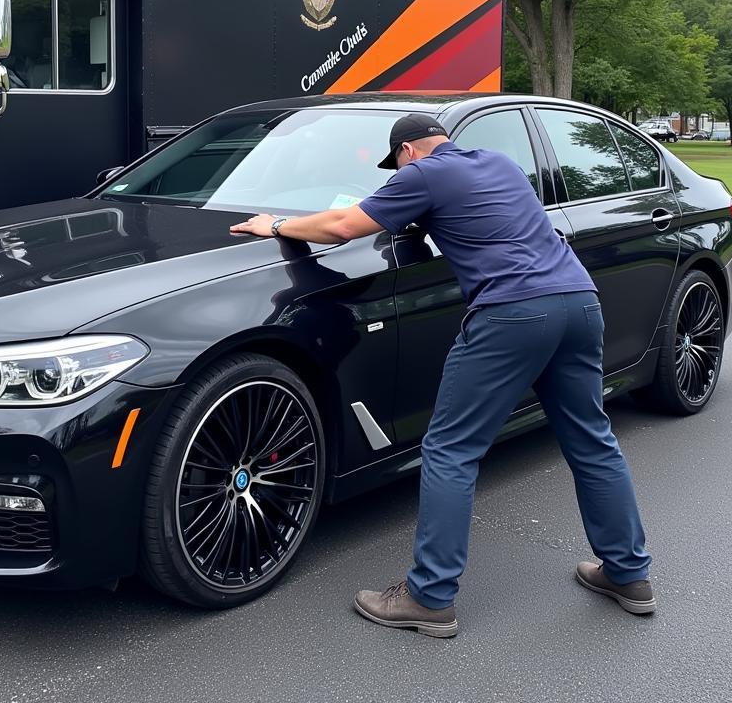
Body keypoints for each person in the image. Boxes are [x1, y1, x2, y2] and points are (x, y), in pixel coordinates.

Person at [230, 113, 653, 638]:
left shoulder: (423, 174)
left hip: (512, 313)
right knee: (593, 441)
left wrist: (273, 225)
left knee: (451, 450)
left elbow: (343, 226)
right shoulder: (498, 163)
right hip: (578, 301)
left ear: (408, 151)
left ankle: (429, 597)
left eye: (396, 165)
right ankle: (628, 575)